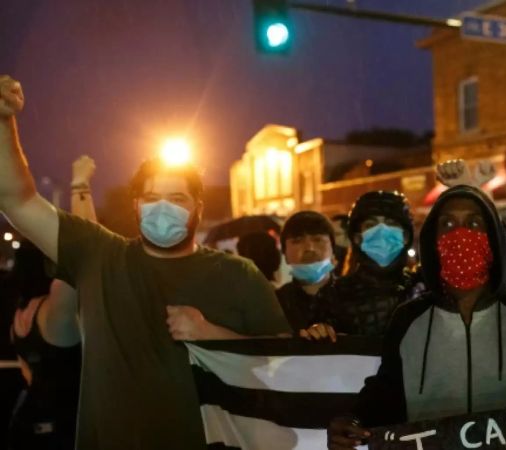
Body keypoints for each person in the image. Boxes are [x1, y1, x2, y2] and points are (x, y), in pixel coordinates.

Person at [0, 75, 291, 450]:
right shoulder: (98, 255)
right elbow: (16, 200)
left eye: (177, 198)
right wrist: (5, 122)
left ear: (198, 209)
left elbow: (283, 364)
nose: (163, 207)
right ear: (136, 205)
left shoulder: (239, 274)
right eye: (152, 197)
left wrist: (212, 334)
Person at [327, 185, 506, 449]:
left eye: (474, 223)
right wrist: (354, 421)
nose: (460, 234)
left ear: (493, 238)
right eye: (447, 225)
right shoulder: (408, 318)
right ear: (432, 242)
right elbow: (386, 394)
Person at [8, 155, 96, 449]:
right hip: (64, 432)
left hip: (26, 426)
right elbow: (83, 255)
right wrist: (80, 185)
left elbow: (29, 374)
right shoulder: (54, 315)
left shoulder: (20, 319)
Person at [332, 190, 416, 336]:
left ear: (406, 237)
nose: (382, 231)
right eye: (371, 225)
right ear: (357, 238)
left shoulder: (421, 289)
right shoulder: (333, 295)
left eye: (391, 223)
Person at [276, 210, 341, 341]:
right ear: (285, 254)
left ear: (333, 249)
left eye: (317, 239)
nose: (309, 248)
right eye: (297, 241)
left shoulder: (355, 297)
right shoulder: (275, 303)